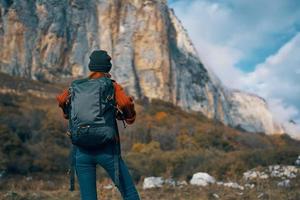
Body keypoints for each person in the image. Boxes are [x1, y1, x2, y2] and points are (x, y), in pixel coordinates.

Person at [56, 50, 140, 200]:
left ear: (91, 66)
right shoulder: (111, 86)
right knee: (129, 193)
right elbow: (125, 102)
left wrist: (66, 112)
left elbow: (61, 99)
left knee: (88, 198)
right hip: (107, 150)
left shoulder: (76, 86)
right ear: (108, 67)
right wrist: (129, 115)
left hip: (82, 150)